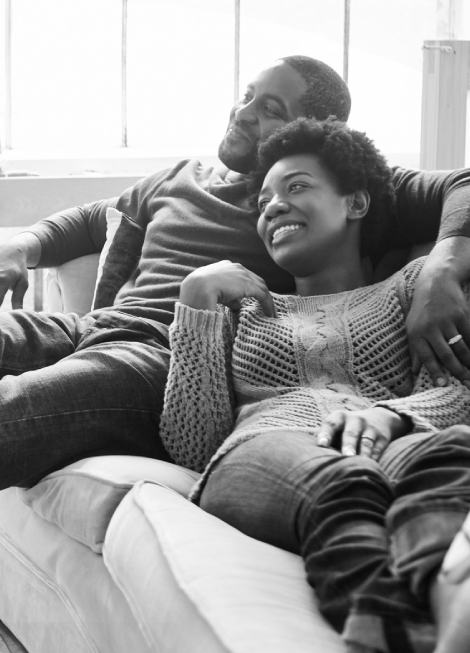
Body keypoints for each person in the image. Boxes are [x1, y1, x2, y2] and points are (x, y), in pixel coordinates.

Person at [0, 55, 468, 488]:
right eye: (247, 96)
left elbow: (461, 186)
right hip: (87, 328)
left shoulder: (321, 193)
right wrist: (21, 246)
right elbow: (88, 221)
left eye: (269, 108)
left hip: (163, 353)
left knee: (15, 413)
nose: (244, 113)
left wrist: (441, 269)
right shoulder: (178, 178)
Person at [159, 116, 470, 653]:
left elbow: (459, 391)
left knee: (449, 454)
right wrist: (195, 301)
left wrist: (391, 414)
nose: (273, 207)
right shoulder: (241, 310)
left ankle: (457, 616)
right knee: (343, 479)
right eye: (264, 200)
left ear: (354, 202)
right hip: (266, 451)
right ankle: (407, 636)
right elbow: (192, 443)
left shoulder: (409, 288)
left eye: (296, 187)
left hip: (392, 437)